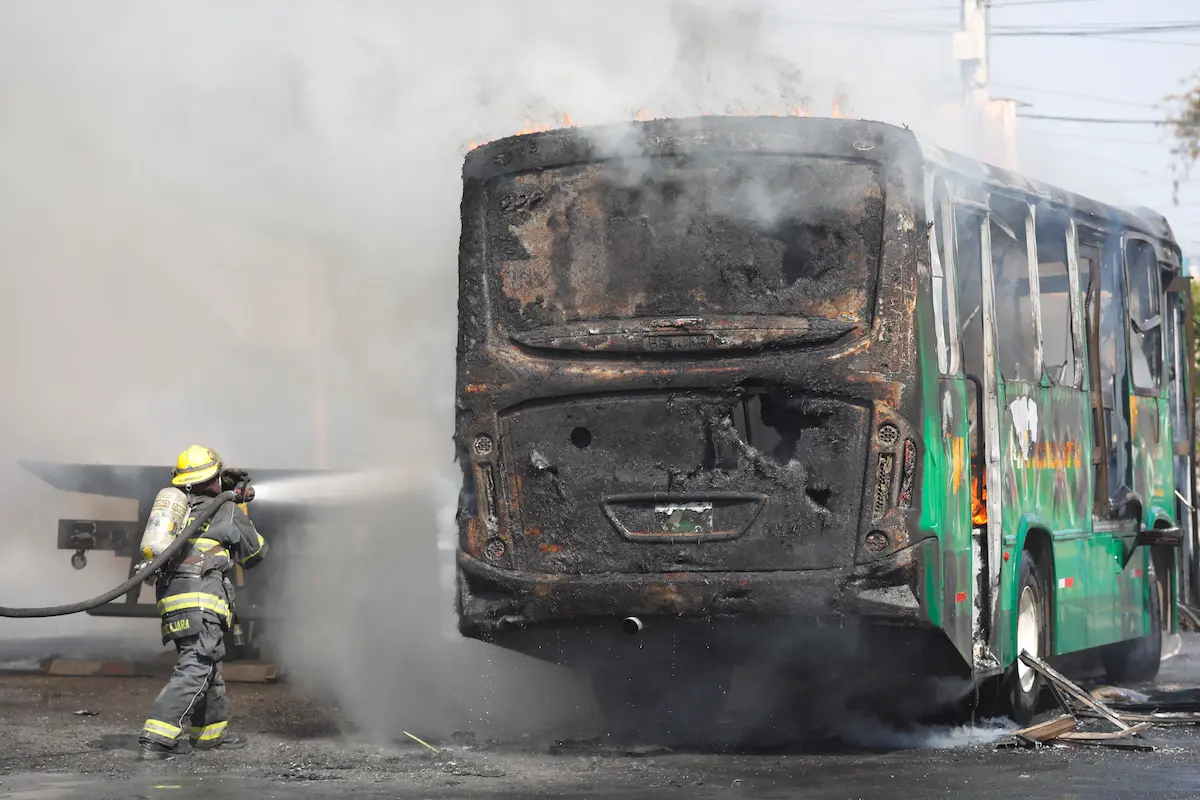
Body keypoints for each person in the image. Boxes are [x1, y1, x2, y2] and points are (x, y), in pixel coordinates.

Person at [138, 445, 268, 761]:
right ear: (213, 480)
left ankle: (210, 735)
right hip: (202, 601)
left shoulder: (180, 515)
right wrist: (240, 507)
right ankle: (157, 737)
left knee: (207, 665)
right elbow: (254, 555)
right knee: (196, 666)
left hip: (173, 602)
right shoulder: (226, 511)